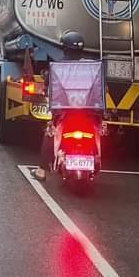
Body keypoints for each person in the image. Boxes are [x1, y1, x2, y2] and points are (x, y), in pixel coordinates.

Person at [34, 29, 87, 180]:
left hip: (64, 112)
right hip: (87, 111)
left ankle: (41, 171)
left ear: (64, 48)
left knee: (50, 132)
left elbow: (48, 87)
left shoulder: (57, 66)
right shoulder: (89, 66)